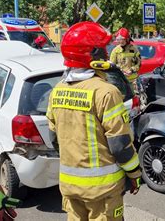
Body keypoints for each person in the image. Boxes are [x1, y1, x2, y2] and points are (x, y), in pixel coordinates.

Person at [46, 21, 141, 220]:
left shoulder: (57, 91)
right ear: (92, 55)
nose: (107, 55)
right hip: (102, 191)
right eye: (103, 50)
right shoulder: (106, 92)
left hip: (70, 187)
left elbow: (54, 139)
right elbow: (120, 145)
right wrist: (134, 174)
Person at [110, 28, 141, 93]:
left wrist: (132, 70)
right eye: (119, 40)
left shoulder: (134, 49)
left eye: (122, 40)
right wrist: (119, 70)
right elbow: (111, 66)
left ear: (127, 39)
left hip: (132, 81)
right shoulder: (116, 50)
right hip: (120, 80)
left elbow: (138, 64)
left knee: (133, 100)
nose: (120, 42)